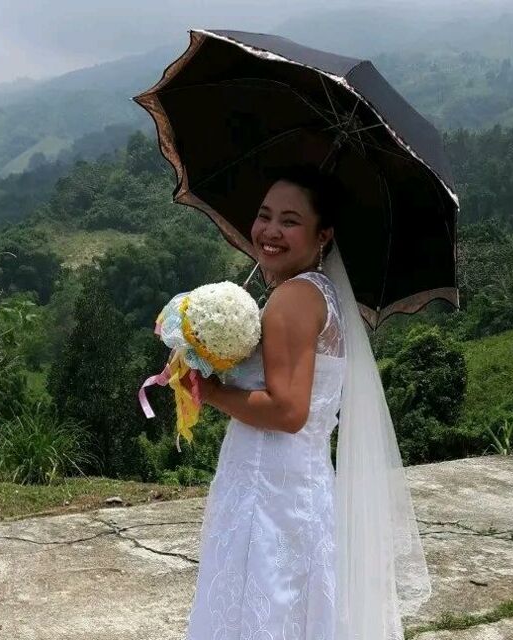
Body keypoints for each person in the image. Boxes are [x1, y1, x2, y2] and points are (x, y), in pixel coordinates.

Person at [182, 167, 348, 639]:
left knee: (259, 611)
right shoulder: (320, 294)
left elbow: (288, 412)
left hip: (269, 486)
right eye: (264, 215)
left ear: (323, 235)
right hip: (299, 481)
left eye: (290, 221)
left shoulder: (293, 299)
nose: (270, 231)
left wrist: (210, 391)